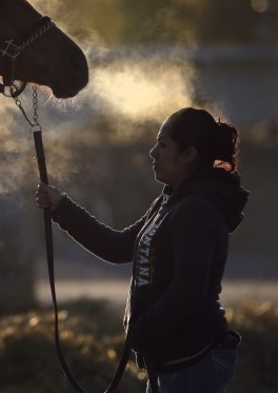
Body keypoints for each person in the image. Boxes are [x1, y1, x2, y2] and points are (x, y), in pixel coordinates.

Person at [35, 107, 248, 393]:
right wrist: (62, 208)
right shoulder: (171, 201)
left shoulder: (196, 210)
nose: (152, 153)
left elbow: (189, 290)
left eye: (163, 145)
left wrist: (141, 330)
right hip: (172, 360)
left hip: (192, 361)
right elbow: (119, 247)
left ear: (189, 155)